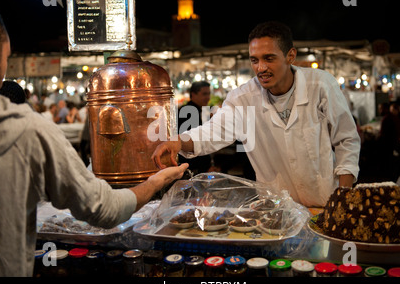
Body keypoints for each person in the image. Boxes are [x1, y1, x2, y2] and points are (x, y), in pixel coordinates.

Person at [0, 0, 188, 276]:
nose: (4, 69)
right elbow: (104, 208)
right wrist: (154, 182)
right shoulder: (24, 131)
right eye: (6, 56)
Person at [152, 21, 361, 207]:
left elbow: (346, 140)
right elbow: (213, 132)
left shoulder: (321, 85)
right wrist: (178, 142)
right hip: (277, 209)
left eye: (269, 58)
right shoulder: (243, 97)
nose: (261, 68)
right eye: (254, 60)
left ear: (291, 56)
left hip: (325, 204)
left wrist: (343, 195)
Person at [178, 81, 212, 175]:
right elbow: (194, 141)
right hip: (192, 168)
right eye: (204, 94)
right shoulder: (188, 113)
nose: (208, 97)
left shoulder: (199, 110)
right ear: (193, 94)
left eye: (209, 94)